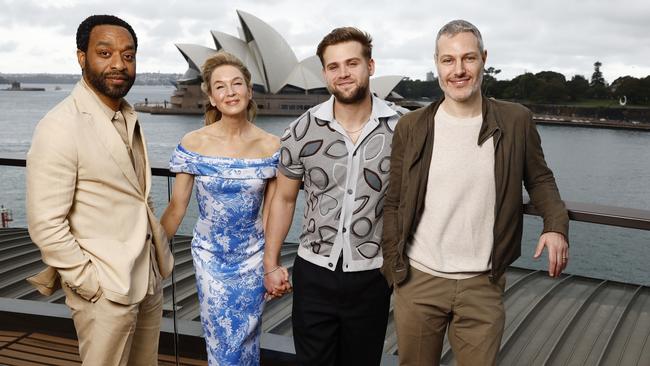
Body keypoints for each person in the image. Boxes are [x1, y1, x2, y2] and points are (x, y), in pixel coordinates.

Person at [382, 19, 570, 366]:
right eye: (448, 60)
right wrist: (394, 270)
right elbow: (394, 200)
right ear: (436, 64)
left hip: (483, 285)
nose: (459, 70)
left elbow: (540, 180)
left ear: (484, 59)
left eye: (468, 58)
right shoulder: (412, 125)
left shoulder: (515, 121)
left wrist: (555, 225)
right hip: (419, 281)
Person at [26, 14, 174, 365]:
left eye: (128, 55)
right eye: (105, 53)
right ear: (82, 57)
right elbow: (46, 223)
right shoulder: (59, 126)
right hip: (104, 289)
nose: (118, 64)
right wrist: (90, 284)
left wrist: (153, 268)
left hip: (146, 279)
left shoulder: (128, 115)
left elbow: (137, 196)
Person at [263, 27, 403, 365]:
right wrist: (270, 262)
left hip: (372, 273)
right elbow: (283, 199)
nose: (343, 73)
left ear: (370, 66)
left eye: (352, 63)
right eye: (333, 66)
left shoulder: (404, 128)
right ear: (324, 73)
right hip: (313, 271)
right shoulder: (301, 130)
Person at [160, 51, 280, 366]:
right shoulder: (193, 142)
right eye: (221, 87)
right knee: (222, 342)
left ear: (250, 91)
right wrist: (151, 250)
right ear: (212, 98)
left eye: (237, 84)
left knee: (248, 341)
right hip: (210, 257)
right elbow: (176, 207)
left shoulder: (272, 146)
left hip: (253, 258)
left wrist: (269, 263)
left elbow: (272, 211)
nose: (230, 92)